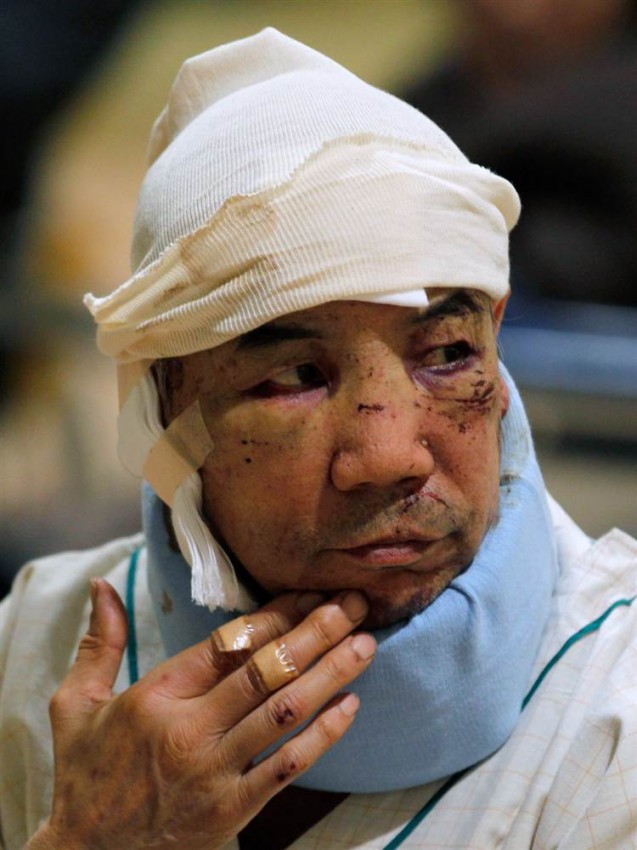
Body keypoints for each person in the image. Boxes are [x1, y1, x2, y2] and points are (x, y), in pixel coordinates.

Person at [0, 28, 635, 850]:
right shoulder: (39, 642)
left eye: (447, 355)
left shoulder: (613, 712)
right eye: (295, 375)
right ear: (164, 401)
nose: (390, 456)